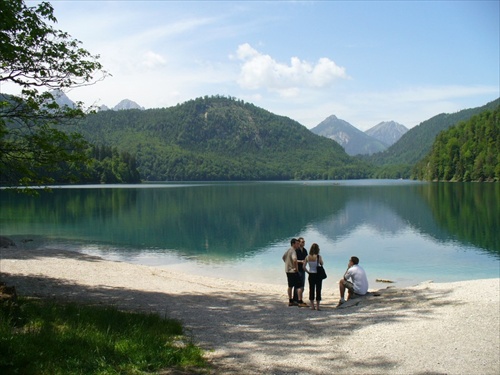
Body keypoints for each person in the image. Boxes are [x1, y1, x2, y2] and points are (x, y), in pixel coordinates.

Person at [282, 238, 308, 307]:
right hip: (293, 271)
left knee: (290, 286)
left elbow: (283, 257)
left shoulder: (288, 250)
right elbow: (294, 260)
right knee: (299, 286)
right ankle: (300, 301)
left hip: (288, 270)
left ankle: (291, 301)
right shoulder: (293, 251)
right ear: (293, 244)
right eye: (297, 243)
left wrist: (288, 264)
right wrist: (296, 268)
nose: (298, 244)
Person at [303, 243, 324, 311]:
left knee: (311, 289)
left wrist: (308, 272)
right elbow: (322, 263)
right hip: (317, 274)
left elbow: (303, 267)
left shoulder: (307, 257)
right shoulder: (318, 257)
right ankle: (317, 306)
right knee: (318, 289)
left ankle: (312, 306)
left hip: (311, 274)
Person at [293, 237, 308, 303]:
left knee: (302, 284)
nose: (303, 243)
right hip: (298, 269)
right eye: (302, 242)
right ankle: (295, 299)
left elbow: (307, 258)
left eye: (304, 242)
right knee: (297, 285)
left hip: (303, 269)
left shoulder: (304, 250)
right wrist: (301, 261)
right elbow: (294, 260)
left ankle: (299, 298)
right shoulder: (296, 250)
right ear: (299, 243)